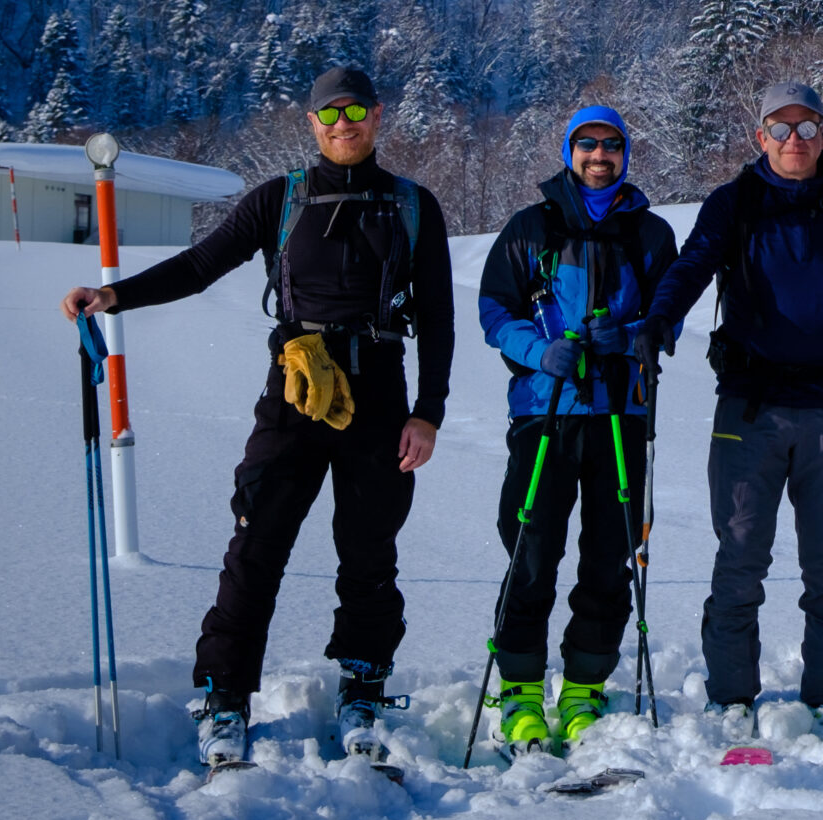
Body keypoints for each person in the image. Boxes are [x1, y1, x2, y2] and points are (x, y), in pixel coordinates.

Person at [60, 65, 452, 771]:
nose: (342, 124)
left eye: (354, 111)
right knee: (256, 544)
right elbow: (199, 266)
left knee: (369, 551)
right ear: (312, 123)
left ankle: (363, 689)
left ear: (376, 116)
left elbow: (440, 318)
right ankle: (225, 696)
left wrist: (428, 415)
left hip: (380, 394)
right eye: (329, 113)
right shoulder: (281, 199)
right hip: (295, 391)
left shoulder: (412, 205)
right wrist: (114, 296)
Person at [638, 81, 823, 739]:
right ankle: (731, 696)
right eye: (781, 128)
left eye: (807, 127)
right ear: (760, 136)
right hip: (750, 405)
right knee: (740, 555)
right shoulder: (735, 201)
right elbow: (694, 264)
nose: (795, 140)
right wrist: (658, 322)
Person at [475, 105, 677, 752]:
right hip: (547, 411)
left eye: (611, 144)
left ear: (625, 153)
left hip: (621, 412)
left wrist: (633, 334)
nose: (599, 155)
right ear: (569, 151)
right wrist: (541, 352)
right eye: (587, 144)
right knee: (531, 550)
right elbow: (494, 310)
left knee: (610, 555)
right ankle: (520, 688)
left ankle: (585, 687)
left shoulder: (650, 233)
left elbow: (669, 315)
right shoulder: (531, 227)